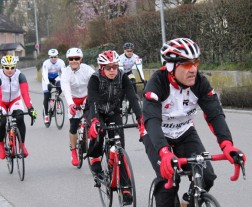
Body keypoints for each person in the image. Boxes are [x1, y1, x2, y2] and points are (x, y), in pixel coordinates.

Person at [142, 37, 246, 207]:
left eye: (195, 62)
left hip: (184, 131)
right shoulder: (157, 83)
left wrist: (227, 145)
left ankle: (188, 201)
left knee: (206, 176)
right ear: (171, 67)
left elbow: (215, 115)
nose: (193, 70)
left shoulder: (200, 83)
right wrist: (164, 151)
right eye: (186, 64)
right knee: (167, 181)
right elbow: (151, 120)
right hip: (157, 134)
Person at [85, 50, 146, 205]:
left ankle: (125, 188)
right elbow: (92, 101)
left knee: (119, 148)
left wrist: (140, 117)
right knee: (98, 132)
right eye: (108, 67)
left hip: (113, 111)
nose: (112, 70)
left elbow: (132, 97)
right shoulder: (95, 79)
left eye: (115, 67)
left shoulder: (123, 77)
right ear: (101, 68)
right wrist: (94, 120)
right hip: (96, 111)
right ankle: (95, 158)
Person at [0, 55, 37, 159]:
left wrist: (30, 108)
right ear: (3, 67)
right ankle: (1, 145)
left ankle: (22, 146)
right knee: (1, 122)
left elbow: (25, 93)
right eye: (7, 67)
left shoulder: (20, 75)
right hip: (0, 102)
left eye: (12, 67)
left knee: (20, 117)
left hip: (14, 100)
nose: (10, 70)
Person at [60, 47, 95, 166]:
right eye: (71, 59)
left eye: (76, 58)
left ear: (81, 59)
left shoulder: (88, 69)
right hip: (73, 99)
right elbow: (66, 89)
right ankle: (74, 151)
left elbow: (95, 84)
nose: (74, 60)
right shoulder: (65, 72)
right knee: (73, 126)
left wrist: (92, 100)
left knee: (93, 121)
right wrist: (70, 104)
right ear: (68, 60)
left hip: (86, 97)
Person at [42, 49, 66, 124]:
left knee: (60, 86)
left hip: (55, 77)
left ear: (57, 56)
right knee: (46, 96)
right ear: (49, 57)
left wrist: (65, 82)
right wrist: (47, 84)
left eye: (55, 57)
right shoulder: (46, 63)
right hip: (46, 79)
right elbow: (45, 75)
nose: (53, 58)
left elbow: (64, 73)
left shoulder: (61, 62)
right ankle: (46, 115)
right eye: (51, 57)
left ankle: (57, 98)